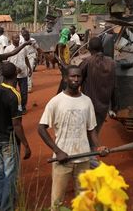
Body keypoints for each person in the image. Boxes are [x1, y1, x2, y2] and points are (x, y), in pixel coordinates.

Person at [38, 65, 108, 209]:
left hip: (83, 159)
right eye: (72, 76)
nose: (76, 79)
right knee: (57, 201)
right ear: (65, 78)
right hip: (62, 160)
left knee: (83, 200)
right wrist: (58, 151)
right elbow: (41, 128)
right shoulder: (56, 102)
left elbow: (91, 129)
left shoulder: (87, 101)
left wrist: (98, 146)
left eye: (78, 76)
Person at [0, 62, 31, 211]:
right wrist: (26, 145)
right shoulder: (14, 95)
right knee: (10, 174)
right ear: (15, 75)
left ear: (2, 75)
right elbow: (16, 124)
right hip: (9, 140)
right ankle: (6, 207)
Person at [79, 37, 116, 167]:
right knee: (95, 133)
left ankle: (92, 163)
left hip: (88, 106)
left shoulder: (87, 62)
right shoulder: (111, 63)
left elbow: (76, 78)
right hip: (103, 106)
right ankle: (91, 159)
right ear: (102, 48)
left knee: (86, 135)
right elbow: (115, 86)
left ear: (89, 49)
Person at [4, 33, 32, 113]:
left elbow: (26, 58)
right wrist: (14, 68)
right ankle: (14, 107)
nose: (17, 39)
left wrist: (29, 68)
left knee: (24, 92)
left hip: (23, 73)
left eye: (18, 38)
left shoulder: (23, 48)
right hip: (12, 75)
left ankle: (23, 107)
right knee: (12, 92)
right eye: (15, 38)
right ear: (11, 39)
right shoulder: (8, 49)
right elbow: (5, 62)